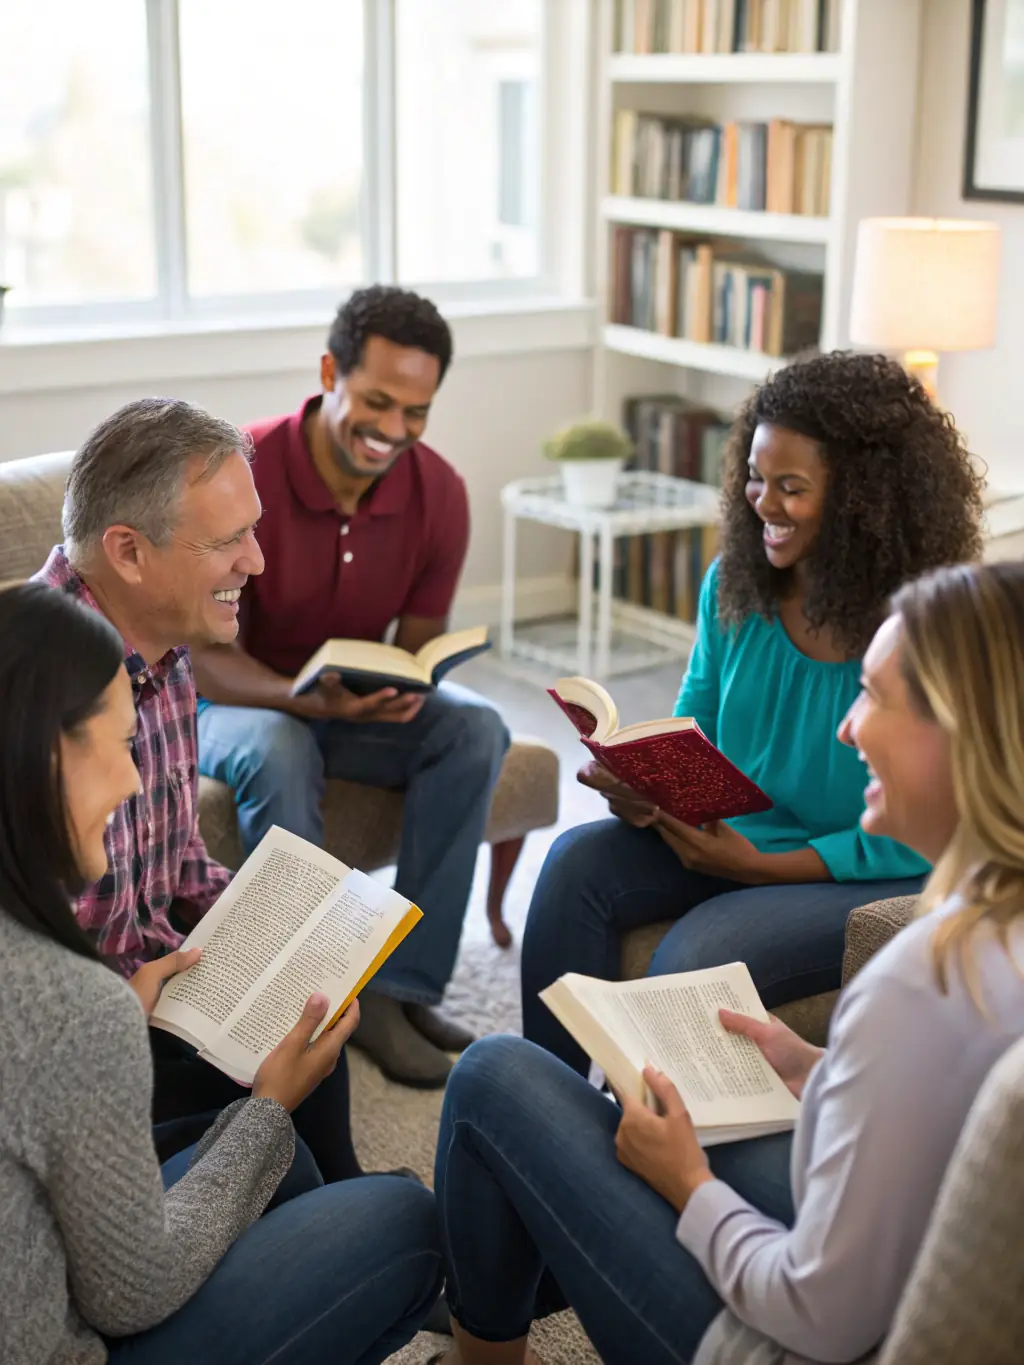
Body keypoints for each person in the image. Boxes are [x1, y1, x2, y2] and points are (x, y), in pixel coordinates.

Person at [431, 558, 1024, 1365]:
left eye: (875, 695)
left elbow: (818, 1315)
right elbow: (947, 1120)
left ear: (966, 733)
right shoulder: (993, 939)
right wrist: (819, 1068)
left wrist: (686, 1184)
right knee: (712, 1100)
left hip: (785, 1344)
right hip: (908, 1260)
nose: (850, 727)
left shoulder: (923, 978)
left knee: (492, 1075)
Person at [0, 580, 442, 1365]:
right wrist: (271, 1104)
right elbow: (134, 1289)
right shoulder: (66, 1003)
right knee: (406, 1217)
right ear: (46, 756)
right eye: (115, 744)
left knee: (290, 1171)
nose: (135, 780)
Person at [521, 352, 984, 1071]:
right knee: (573, 864)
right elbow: (693, 723)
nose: (762, 503)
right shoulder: (734, 586)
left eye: (791, 487)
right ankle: (546, 1096)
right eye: (756, 478)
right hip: (733, 831)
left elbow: (926, 834)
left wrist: (764, 866)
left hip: (869, 870)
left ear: (866, 499)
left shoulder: (918, 631)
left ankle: (648, 1144)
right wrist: (647, 786)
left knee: (697, 954)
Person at [34, 398, 370, 1183]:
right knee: (288, 1172)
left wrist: (292, 932)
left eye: (253, 530)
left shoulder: (164, 642)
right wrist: (128, 1011)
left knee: (308, 1017)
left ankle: (348, 1199)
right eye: (228, 541)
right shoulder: (34, 697)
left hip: (154, 997)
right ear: (128, 551)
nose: (257, 562)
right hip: (79, 1065)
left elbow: (180, 864)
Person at [191, 286, 510, 1090]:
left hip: (342, 703)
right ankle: (302, 1002)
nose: (394, 430)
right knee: (281, 743)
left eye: (417, 411)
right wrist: (300, 699)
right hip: (231, 704)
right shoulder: (242, 471)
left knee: (476, 729)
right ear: (330, 371)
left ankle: (404, 992)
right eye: (376, 401)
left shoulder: (439, 492)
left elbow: (417, 644)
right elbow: (196, 657)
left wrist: (405, 687)